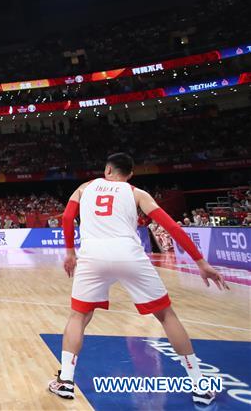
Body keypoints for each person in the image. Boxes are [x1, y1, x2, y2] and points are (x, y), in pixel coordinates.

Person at [48, 153, 229, 406]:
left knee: (78, 316)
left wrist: (70, 253)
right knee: (166, 315)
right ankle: (199, 385)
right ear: (130, 174)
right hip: (129, 254)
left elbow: (67, 218)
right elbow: (172, 227)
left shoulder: (84, 187)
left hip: (92, 257)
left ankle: (66, 381)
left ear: (107, 170)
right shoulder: (137, 193)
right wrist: (200, 262)